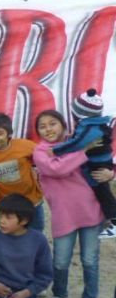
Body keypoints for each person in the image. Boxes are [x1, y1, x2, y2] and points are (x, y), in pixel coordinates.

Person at [33, 110, 105, 298]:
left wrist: (110, 174)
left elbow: (104, 161)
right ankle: (59, 296)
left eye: (52, 124)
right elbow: (57, 169)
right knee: (61, 260)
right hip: (64, 216)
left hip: (91, 212)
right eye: (43, 126)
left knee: (90, 261)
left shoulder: (79, 141)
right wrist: (83, 152)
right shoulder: (41, 151)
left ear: (64, 125)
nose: (48, 129)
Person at [51, 89, 116, 239]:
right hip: (97, 163)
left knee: (102, 192)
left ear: (79, 113)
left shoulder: (90, 128)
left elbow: (77, 144)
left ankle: (114, 222)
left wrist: (56, 150)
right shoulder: (92, 125)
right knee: (98, 192)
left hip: (97, 165)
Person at [0, 113, 44, 231]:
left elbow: (45, 156)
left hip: (32, 201)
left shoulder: (24, 145)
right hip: (6, 205)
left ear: (9, 134)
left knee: (36, 233)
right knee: (11, 236)